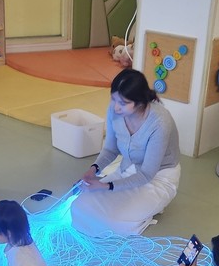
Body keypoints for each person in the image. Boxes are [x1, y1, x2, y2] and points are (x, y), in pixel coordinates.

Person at [70, 68, 181, 236]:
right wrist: (93, 170)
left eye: (123, 103)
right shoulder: (114, 111)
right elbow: (110, 149)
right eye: (113, 99)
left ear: (140, 102)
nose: (115, 107)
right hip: (127, 170)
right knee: (79, 206)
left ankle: (153, 207)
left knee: (112, 222)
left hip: (158, 179)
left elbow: (146, 174)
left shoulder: (160, 122)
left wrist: (106, 186)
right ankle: (139, 207)